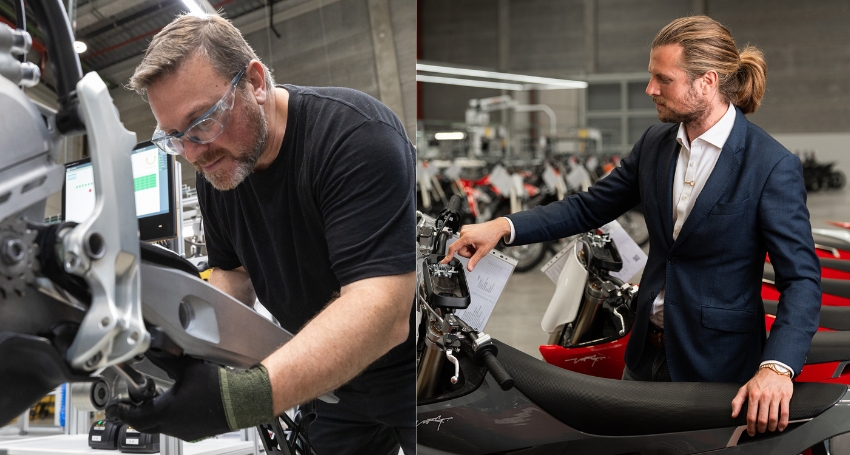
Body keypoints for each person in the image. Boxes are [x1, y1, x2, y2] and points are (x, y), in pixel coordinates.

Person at [444, 15, 820, 438]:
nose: (650, 89)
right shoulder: (655, 145)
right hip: (643, 357)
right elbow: (588, 207)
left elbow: (801, 279)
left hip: (717, 367)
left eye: (664, 79)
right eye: (651, 76)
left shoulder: (769, 164)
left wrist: (777, 368)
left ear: (707, 82)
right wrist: (503, 225)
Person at [107, 13, 416, 455]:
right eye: (174, 137)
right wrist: (183, 342)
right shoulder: (219, 171)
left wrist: (241, 399)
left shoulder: (354, 136)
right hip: (326, 377)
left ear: (254, 82)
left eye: (203, 121)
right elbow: (233, 275)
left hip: (413, 374)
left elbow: (382, 310)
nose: (193, 153)